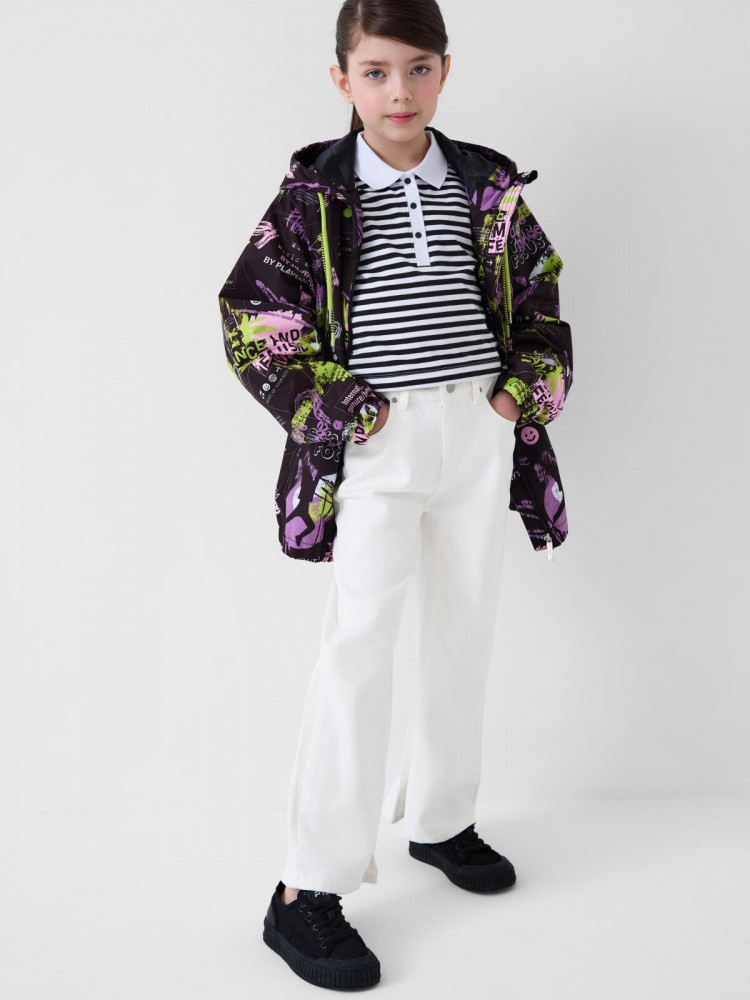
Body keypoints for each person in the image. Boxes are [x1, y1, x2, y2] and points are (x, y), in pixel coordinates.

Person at [218, 0, 573, 989]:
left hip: (477, 430)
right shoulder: (314, 197)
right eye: (375, 72)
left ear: (444, 71)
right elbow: (252, 316)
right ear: (343, 80)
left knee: (466, 629)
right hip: (376, 442)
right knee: (359, 651)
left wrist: (518, 393)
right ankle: (305, 888)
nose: (399, 91)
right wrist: (340, 407)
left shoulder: (487, 185)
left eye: (418, 69)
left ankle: (441, 818)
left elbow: (541, 292)